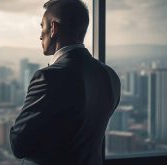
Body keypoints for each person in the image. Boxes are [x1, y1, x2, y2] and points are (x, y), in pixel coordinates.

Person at [9, 0, 121, 164]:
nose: (40, 35)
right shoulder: (110, 76)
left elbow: (19, 145)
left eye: (42, 27)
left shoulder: (49, 78)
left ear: (53, 28)